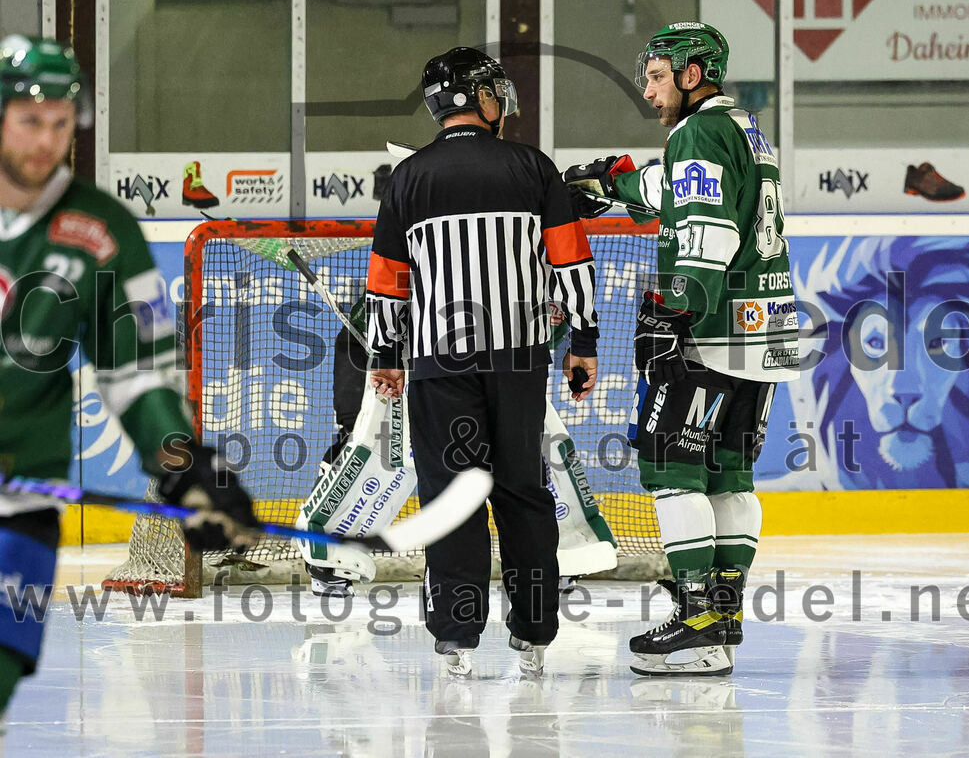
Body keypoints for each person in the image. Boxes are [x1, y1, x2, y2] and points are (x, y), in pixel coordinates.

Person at [0, 35, 257, 713]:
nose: (46, 140)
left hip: (17, 509)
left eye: (60, 124)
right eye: (30, 121)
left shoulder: (103, 230)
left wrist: (183, 466)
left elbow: (138, 375)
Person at [564, 22, 799, 676]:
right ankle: (722, 616)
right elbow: (682, 191)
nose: (648, 86)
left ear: (694, 74)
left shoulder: (699, 133)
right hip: (763, 331)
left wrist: (675, 311)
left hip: (711, 332)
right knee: (730, 476)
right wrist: (617, 183)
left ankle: (696, 617)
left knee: (672, 470)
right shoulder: (744, 128)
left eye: (658, 74)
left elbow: (707, 227)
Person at [365, 46, 600, 676]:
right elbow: (571, 262)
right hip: (519, 358)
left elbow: (387, 281)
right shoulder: (532, 168)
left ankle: (456, 639)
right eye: (495, 90)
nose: (504, 101)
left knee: (451, 495)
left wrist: (385, 354)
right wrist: (583, 343)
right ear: (478, 98)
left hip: (439, 364)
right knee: (523, 491)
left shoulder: (408, 177)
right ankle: (535, 632)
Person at [297, 298, 618, 599]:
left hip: (456, 361)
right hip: (374, 347)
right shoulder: (454, 266)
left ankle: (562, 551)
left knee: (526, 440)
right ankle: (328, 561)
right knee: (370, 439)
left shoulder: (549, 293)